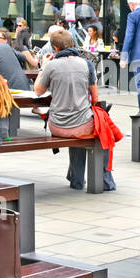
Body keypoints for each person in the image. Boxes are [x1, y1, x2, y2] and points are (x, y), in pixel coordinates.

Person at [35, 30, 101, 190]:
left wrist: (43, 67)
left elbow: (38, 91)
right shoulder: (87, 64)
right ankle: (102, 180)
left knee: (78, 132)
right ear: (72, 44)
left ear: (54, 48)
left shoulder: (51, 66)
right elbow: (96, 97)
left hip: (57, 125)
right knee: (101, 132)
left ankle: (75, 178)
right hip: (83, 124)